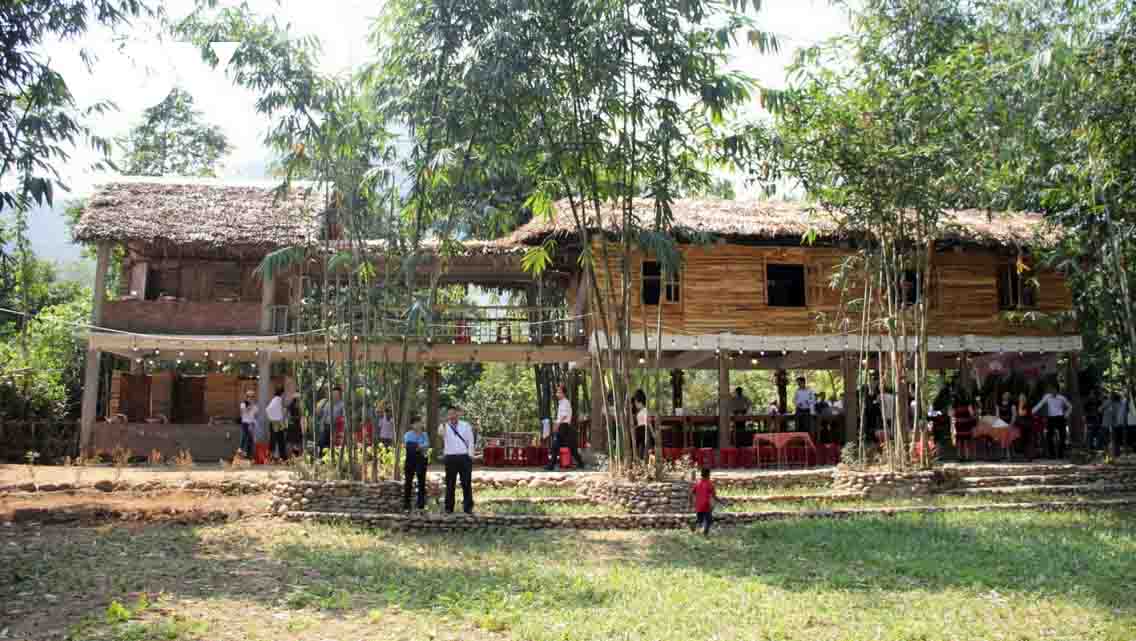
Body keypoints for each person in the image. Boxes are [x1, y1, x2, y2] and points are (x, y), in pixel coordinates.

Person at [438, 406, 474, 514]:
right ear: (447, 416)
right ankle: (449, 508)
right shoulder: (444, 426)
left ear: (458, 414)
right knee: (450, 483)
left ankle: (468, 507)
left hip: (464, 457)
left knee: (466, 483)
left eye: (454, 413)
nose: (452, 416)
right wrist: (443, 423)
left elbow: (470, 440)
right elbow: (440, 434)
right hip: (450, 457)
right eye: (450, 414)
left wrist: (470, 455)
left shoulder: (465, 425)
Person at [546, 384, 585, 470]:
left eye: (559, 392)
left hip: (563, 426)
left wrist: (557, 425)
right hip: (564, 426)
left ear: (563, 393)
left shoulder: (565, 402)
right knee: (570, 447)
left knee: (556, 446)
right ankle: (581, 463)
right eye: (557, 392)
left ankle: (551, 465)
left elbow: (564, 416)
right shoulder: (562, 403)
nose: (557, 394)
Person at [1032, 384, 1072, 459]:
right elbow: (1040, 404)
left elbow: (1070, 406)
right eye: (1051, 390)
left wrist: (1066, 414)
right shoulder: (1047, 397)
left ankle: (1060, 454)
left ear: (1057, 391)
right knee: (1049, 436)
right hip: (1051, 418)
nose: (1053, 392)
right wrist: (1032, 412)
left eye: (1054, 390)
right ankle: (1052, 454)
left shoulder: (1062, 398)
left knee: (1063, 436)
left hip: (1060, 418)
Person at [403, 415, 429, 511]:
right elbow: (408, 446)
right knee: (408, 482)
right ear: (412, 425)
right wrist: (419, 446)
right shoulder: (408, 434)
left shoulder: (424, 434)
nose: (418, 425)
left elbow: (427, 445)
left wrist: (417, 446)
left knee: (421, 482)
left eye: (420, 423)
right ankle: (407, 504)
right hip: (410, 460)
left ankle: (421, 504)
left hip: (422, 460)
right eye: (416, 423)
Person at [689, 467, 724, 536]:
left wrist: (691, 503)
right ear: (708, 475)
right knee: (709, 520)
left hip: (698, 505)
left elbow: (691, 494)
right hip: (706, 505)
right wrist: (721, 502)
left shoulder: (697, 483)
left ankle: (693, 524)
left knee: (700, 520)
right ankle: (705, 533)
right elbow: (714, 496)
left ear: (701, 475)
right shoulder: (710, 484)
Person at [317, 387, 345, 455]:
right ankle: (321, 457)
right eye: (334, 394)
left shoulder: (342, 404)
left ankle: (331, 457)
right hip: (325, 426)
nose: (335, 396)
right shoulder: (327, 403)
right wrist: (321, 426)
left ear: (340, 395)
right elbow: (322, 415)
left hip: (335, 427)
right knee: (322, 443)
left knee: (332, 444)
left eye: (337, 394)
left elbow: (344, 416)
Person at [266, 387, 287, 461]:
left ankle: (276, 457)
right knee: (278, 440)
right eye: (284, 393)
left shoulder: (274, 399)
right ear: (282, 393)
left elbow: (268, 409)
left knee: (274, 440)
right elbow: (281, 412)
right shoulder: (279, 400)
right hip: (277, 422)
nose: (284, 395)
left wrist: (271, 418)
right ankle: (281, 457)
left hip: (274, 422)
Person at [238, 391, 257, 458]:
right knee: (245, 436)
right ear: (247, 397)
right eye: (249, 397)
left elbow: (255, 414)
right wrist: (249, 406)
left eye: (252, 397)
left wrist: (254, 423)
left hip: (251, 423)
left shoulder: (254, 405)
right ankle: (241, 450)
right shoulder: (243, 404)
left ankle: (248, 454)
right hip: (245, 423)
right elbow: (243, 412)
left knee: (250, 440)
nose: (251, 398)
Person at [286, 392, 303, 458]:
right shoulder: (298, 405)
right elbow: (300, 415)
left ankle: (290, 457)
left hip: (291, 425)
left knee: (290, 442)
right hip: (296, 425)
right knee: (298, 442)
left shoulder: (289, 406)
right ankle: (299, 457)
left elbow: (287, 416)